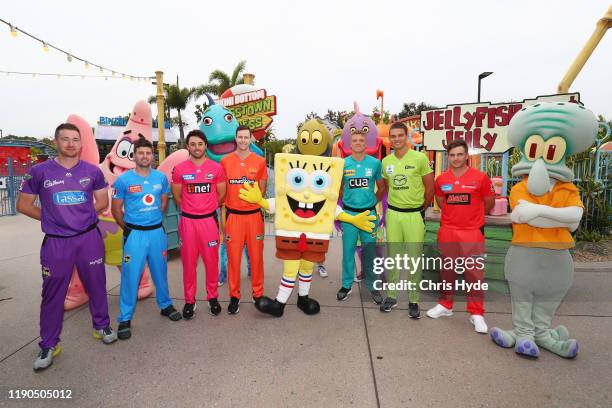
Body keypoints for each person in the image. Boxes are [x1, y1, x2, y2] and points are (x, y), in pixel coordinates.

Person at [18, 123, 117, 372]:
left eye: (75, 139)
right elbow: (24, 204)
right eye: (65, 139)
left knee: (96, 284)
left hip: (88, 239)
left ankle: (102, 326)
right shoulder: (39, 172)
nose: (71, 144)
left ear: (81, 144)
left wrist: (81, 216)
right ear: (56, 142)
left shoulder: (92, 171)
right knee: (53, 293)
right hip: (56, 243)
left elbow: (103, 201)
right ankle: (49, 343)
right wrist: (52, 219)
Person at [111, 136, 182, 340]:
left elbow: (163, 202)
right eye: (141, 153)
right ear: (134, 156)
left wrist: (155, 220)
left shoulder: (160, 178)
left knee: (161, 271)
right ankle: (125, 317)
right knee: (131, 276)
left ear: (152, 156)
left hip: (157, 233)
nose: (145, 156)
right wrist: (129, 229)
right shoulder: (124, 180)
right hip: (135, 235)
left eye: (148, 153)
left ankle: (165, 305)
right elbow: (116, 209)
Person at [426, 139, 495, 333]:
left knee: (474, 274)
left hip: (472, 232)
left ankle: (476, 313)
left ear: (466, 156)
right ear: (448, 157)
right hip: (448, 230)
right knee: (447, 271)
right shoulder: (441, 179)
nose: (456, 158)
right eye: (452, 155)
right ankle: (445, 306)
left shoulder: (480, 178)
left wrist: (473, 220)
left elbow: (488, 203)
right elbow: (441, 201)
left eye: (459, 154)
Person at [380, 122, 434, 318]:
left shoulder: (419, 158)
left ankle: (413, 300)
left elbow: (430, 188)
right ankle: (392, 296)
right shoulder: (386, 162)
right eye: (392, 136)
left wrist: (421, 209)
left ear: (406, 136)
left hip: (414, 215)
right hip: (393, 215)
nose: (396, 139)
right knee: (393, 257)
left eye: (399, 135)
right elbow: (386, 187)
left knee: (413, 259)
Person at [171, 130, 226, 319]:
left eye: (200, 144)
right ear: (188, 146)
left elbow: (221, 196)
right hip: (188, 222)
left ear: (205, 146)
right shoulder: (179, 169)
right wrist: (192, 208)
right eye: (193, 144)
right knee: (188, 263)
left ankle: (213, 298)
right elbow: (178, 197)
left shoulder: (216, 168)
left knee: (212, 263)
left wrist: (205, 208)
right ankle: (189, 301)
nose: (196, 147)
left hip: (209, 222)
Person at [220, 125, 267, 314]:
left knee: (256, 259)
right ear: (235, 139)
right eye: (239, 137)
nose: (242, 141)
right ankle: (234, 296)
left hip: (254, 217)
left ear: (250, 139)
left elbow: (262, 190)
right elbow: (221, 191)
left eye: (246, 137)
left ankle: (258, 294)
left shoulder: (260, 161)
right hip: (234, 217)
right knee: (233, 260)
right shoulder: (225, 161)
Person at [337, 130, 385, 304]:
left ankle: (372, 286)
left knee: (370, 252)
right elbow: (339, 187)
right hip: (349, 215)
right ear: (350, 144)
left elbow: (381, 186)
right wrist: (346, 200)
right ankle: (346, 285)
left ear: (366, 144)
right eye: (355, 140)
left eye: (361, 140)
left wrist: (374, 201)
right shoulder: (343, 164)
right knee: (348, 251)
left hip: (369, 214)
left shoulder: (375, 164)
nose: (358, 143)